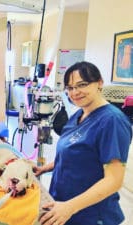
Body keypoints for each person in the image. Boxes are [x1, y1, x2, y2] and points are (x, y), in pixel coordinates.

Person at [35, 61, 132, 225]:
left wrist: (69, 207)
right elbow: (75, 154)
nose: (75, 92)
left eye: (82, 85)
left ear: (99, 83)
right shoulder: (79, 114)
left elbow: (113, 181)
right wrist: (45, 168)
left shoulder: (112, 121)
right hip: (64, 207)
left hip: (90, 215)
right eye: (70, 87)